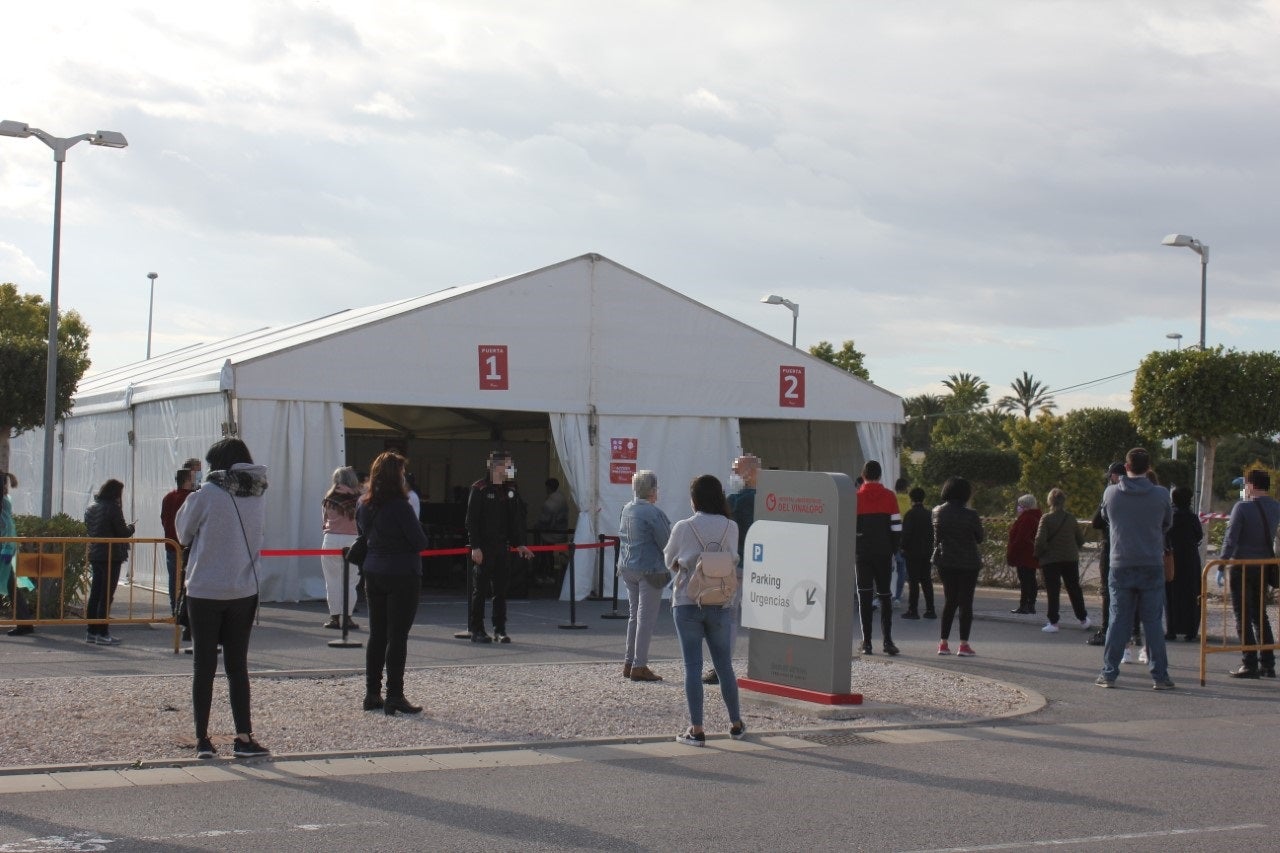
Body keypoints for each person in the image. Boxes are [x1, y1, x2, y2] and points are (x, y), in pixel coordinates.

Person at [174, 438, 270, 758]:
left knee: (204, 665)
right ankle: (244, 737)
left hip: (205, 588)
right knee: (237, 666)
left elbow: (183, 533)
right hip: (244, 588)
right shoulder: (258, 493)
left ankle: (203, 739)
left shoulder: (207, 494)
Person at [664, 474, 745, 746]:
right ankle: (736, 724)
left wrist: (683, 563)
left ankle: (697, 729)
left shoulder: (683, 526)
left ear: (694, 499)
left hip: (688, 600)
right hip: (720, 600)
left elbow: (669, 558)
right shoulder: (731, 526)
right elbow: (734, 558)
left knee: (692, 666)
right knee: (724, 666)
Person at [1094, 448, 1174, 690]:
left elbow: (1106, 518)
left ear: (1126, 467)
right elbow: (1167, 523)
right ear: (1148, 467)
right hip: (1151, 562)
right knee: (1153, 622)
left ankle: (1109, 673)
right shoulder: (1161, 494)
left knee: (1118, 620)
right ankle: (1160, 676)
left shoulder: (1111, 493)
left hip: (1121, 562)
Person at [358, 451, 430, 714]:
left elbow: (363, 533)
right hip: (402, 572)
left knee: (377, 634)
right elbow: (419, 541)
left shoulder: (364, 504)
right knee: (397, 636)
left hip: (373, 569)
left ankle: (372, 693)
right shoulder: (401, 506)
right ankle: (395, 694)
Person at [465, 450, 533, 643]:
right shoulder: (479, 488)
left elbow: (513, 521)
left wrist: (520, 544)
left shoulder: (509, 490)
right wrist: (475, 547)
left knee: (501, 591)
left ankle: (499, 629)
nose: (509, 469)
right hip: (484, 547)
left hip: (502, 547)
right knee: (480, 590)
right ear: (494, 466)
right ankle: (477, 629)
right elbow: (471, 520)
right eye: (506, 465)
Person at [1218, 469, 1279, 679]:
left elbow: (1231, 537)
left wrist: (1221, 563)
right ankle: (1268, 663)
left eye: (1245, 484)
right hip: (1264, 566)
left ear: (1251, 485)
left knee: (1242, 615)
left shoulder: (1242, 507)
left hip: (1241, 565)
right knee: (1260, 614)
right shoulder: (1275, 507)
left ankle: (1249, 662)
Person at [705, 453, 759, 684]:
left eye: (737, 470)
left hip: (735, 566)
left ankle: (721, 666)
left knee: (727, 617)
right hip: (759, 567)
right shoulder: (767, 499)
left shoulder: (735, 501)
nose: (733, 475)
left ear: (751, 473)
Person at [617, 470, 672, 682]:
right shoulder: (653, 513)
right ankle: (639, 665)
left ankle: (629, 661)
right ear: (652, 490)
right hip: (649, 569)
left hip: (627, 566)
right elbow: (666, 542)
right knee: (645, 619)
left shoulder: (626, 508)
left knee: (634, 616)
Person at [933, 476, 983, 656]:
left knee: (950, 601)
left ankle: (943, 643)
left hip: (946, 561)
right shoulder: (971, 514)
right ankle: (963, 645)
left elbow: (936, 539)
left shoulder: (937, 512)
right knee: (966, 603)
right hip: (968, 563)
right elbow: (979, 538)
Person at [855, 460, 902, 655]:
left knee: (865, 596)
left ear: (863, 476)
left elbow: (850, 528)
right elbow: (897, 527)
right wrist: (892, 550)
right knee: (885, 596)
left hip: (862, 554)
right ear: (880, 475)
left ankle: (867, 643)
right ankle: (888, 641)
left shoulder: (856, 497)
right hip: (883, 553)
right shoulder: (890, 496)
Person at [84, 479, 135, 646]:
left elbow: (89, 528)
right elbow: (122, 532)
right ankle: (103, 632)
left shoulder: (91, 507)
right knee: (106, 596)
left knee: (95, 594)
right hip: (111, 555)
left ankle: (91, 631)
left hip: (96, 554)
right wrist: (131, 528)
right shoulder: (113, 508)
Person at [1034, 488, 1090, 634]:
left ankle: (1053, 622)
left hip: (1051, 560)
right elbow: (1080, 539)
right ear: (1063, 501)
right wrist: (1072, 549)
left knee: (1053, 591)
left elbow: (1040, 541)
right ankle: (1083, 619)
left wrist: (1038, 554)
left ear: (1049, 501)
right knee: (1074, 588)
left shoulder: (1046, 518)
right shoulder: (1070, 518)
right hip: (1070, 559)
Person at [320, 466, 362, 630]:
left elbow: (324, 521)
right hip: (353, 540)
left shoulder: (329, 498)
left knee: (332, 581)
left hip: (331, 539)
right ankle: (348, 618)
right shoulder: (359, 499)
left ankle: (334, 618)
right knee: (351, 581)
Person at [1164, 485, 1202, 643]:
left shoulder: (1170, 516)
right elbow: (1199, 535)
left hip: (1172, 558)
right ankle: (1191, 631)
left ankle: (1171, 629)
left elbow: (1164, 534)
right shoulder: (1192, 517)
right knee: (1191, 594)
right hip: (1190, 559)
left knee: (1171, 594)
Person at [160, 468, 197, 617]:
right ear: (188, 480)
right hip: (187, 546)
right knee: (188, 579)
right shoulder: (192, 498)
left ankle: (175, 609)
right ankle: (186, 611)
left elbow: (163, 518)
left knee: (173, 580)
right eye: (193, 477)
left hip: (170, 544)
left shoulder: (168, 497)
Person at [3, 472, 36, 636]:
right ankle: (25, 622)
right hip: (5, 551)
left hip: (3, 551)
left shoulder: (3, 503)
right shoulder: (5, 501)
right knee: (11, 587)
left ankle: (25, 622)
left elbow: (6, 528)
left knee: (11, 586)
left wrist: (6, 550)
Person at [899, 487, 936, 619]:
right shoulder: (929, 514)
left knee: (913, 582)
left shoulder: (910, 514)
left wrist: (902, 547)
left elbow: (906, 534)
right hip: (927, 552)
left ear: (911, 499)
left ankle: (913, 610)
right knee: (926, 581)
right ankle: (930, 610)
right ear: (923, 498)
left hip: (912, 553)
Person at [1007, 494, 1041, 614]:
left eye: (1020, 505)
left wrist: (1013, 551)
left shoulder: (1026, 518)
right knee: (1031, 578)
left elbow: (1021, 538)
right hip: (1032, 553)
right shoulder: (1037, 517)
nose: (1018, 508)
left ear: (1025, 506)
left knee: (1025, 580)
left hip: (1024, 554)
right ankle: (1031, 604)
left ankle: (1024, 605)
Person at [534, 477, 570, 586]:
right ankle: (549, 574)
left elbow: (544, 520)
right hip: (561, 531)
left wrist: (537, 526)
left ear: (548, 487)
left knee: (545, 554)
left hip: (551, 533)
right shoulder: (562, 498)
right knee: (548, 554)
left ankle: (546, 575)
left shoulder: (550, 503)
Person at [893, 477, 912, 605]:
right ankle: (898, 597)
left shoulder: (892, 499)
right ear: (906, 488)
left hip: (891, 537)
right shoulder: (909, 502)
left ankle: (881, 594)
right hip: (904, 539)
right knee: (902, 570)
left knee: (886, 568)